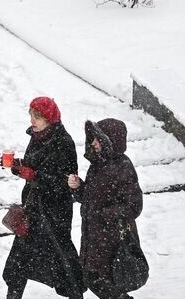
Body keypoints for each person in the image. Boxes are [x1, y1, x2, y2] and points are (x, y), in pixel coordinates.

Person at [2, 97, 86, 299]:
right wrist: (17, 165)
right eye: (31, 115)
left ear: (49, 118)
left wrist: (34, 175)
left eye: (37, 116)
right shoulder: (37, 136)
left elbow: (66, 180)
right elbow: (33, 164)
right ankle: (13, 295)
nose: (32, 120)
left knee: (61, 255)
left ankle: (76, 293)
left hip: (54, 211)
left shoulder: (63, 142)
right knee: (19, 257)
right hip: (33, 208)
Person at [67, 119, 145, 299]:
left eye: (98, 139)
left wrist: (104, 214)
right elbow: (90, 198)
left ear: (111, 141)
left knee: (99, 279)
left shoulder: (122, 166)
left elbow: (134, 206)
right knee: (93, 277)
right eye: (93, 138)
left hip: (111, 239)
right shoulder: (98, 164)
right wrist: (78, 187)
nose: (93, 143)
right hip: (94, 237)